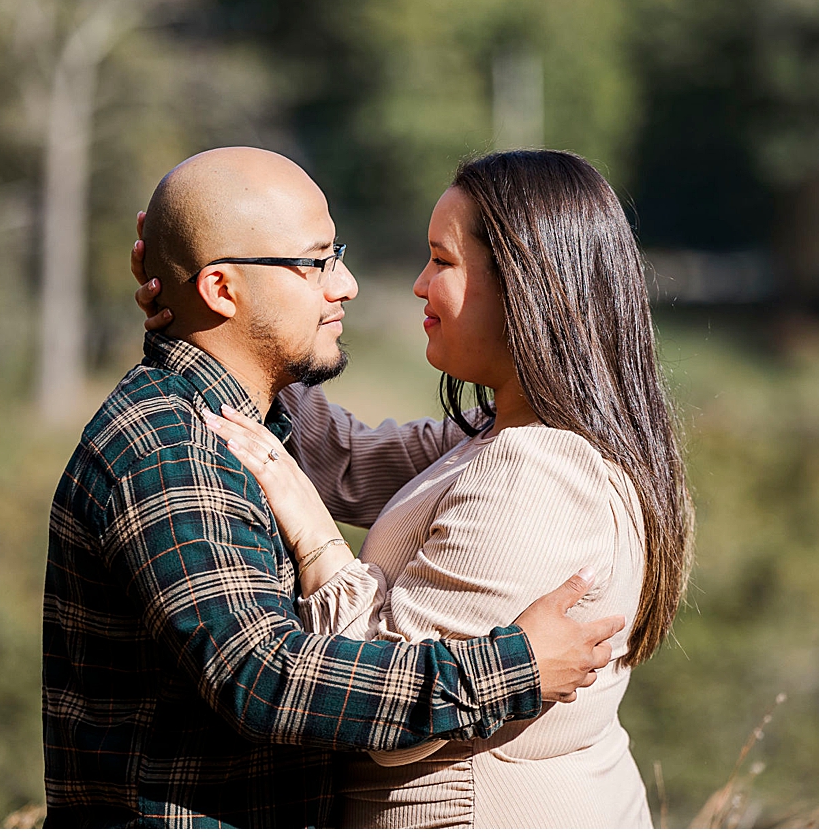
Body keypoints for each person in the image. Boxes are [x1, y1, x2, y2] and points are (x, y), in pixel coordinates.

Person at [44, 146, 626, 828]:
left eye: (337, 252)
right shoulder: (169, 449)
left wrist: (190, 297)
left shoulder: (254, 421)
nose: (345, 283)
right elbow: (265, 677)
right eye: (316, 261)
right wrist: (512, 668)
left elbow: (376, 456)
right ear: (225, 290)